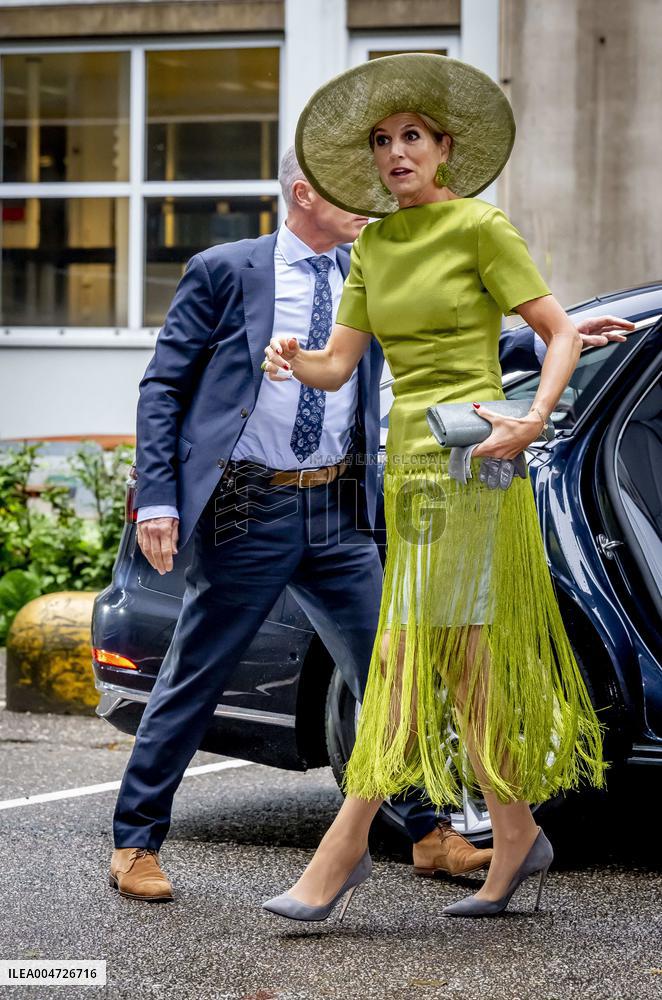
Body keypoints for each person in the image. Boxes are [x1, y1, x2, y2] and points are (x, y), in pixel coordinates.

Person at [108, 140, 629, 902]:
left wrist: (563, 334)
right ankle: (135, 842)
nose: (371, 196)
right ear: (302, 195)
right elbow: (164, 386)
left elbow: (437, 331)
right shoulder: (229, 271)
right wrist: (157, 497)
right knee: (197, 671)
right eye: (348, 188)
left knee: (385, 670)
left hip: (339, 504)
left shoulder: (371, 262)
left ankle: (425, 833)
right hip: (250, 504)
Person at [261, 54, 620, 922]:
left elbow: (559, 332)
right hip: (407, 468)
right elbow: (338, 365)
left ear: (445, 147)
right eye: (382, 142)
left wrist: (531, 417)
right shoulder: (376, 242)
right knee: (464, 673)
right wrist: (290, 360)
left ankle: (339, 853)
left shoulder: (481, 227)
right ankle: (518, 836)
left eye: (411, 137)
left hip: (473, 461)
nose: (396, 153)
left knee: (399, 659)